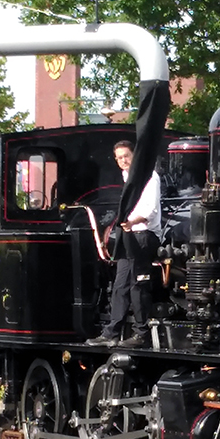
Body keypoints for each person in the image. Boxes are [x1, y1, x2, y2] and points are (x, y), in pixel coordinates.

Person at [87, 140, 161, 348]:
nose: (123, 161)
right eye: (119, 158)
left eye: (126, 156)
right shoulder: (127, 178)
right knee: (120, 285)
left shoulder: (150, 177)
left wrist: (130, 221)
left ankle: (142, 333)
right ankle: (112, 332)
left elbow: (150, 210)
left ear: (134, 155)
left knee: (138, 285)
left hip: (144, 235)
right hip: (128, 236)